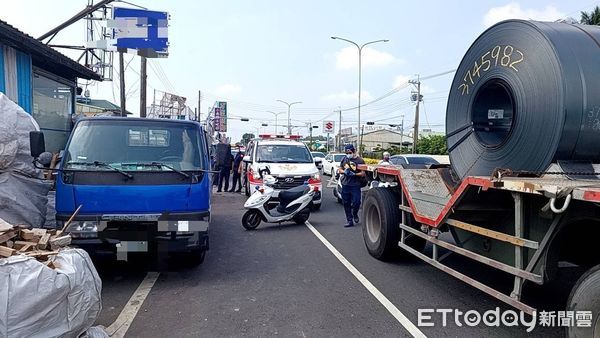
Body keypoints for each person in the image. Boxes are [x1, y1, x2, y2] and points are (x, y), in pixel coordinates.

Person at [338, 144, 366, 227]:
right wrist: (344, 172)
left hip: (355, 185)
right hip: (345, 184)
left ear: (354, 152)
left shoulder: (360, 160)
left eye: (349, 152)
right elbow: (340, 169)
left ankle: (355, 214)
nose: (348, 154)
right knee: (346, 203)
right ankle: (349, 220)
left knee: (356, 202)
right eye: (347, 152)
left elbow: (363, 173)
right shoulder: (344, 159)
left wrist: (355, 174)